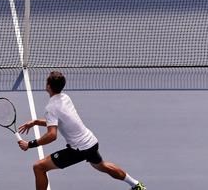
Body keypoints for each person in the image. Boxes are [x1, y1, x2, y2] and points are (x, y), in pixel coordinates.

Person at [17, 71, 145, 190]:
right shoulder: (65, 98)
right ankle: (136, 185)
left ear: (49, 86)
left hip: (79, 150)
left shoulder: (51, 107)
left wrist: (30, 144)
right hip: (91, 142)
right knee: (102, 166)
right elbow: (57, 122)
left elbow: (52, 135)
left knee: (39, 167)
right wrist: (35, 122)